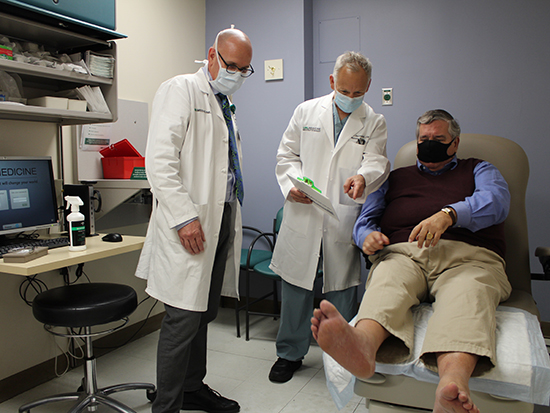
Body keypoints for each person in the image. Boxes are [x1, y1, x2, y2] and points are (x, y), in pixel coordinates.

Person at [311, 109, 512, 413]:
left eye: (439, 139)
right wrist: (366, 236)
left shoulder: (479, 169)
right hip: (404, 254)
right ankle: (363, 346)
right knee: (388, 280)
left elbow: (497, 202)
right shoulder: (393, 179)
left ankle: (451, 384)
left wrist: (449, 215)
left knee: (468, 294)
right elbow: (366, 220)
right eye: (424, 139)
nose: (429, 144)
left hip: (468, 257)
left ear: (455, 144)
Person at [135, 27, 253, 413]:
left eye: (244, 69)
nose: (236, 73)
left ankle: (191, 388)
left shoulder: (224, 103)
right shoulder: (181, 89)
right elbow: (160, 162)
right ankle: (166, 407)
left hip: (221, 217)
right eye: (231, 64)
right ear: (212, 54)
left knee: (205, 310)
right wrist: (185, 218)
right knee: (183, 316)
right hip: (190, 221)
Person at [268, 51, 390, 383]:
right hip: (304, 212)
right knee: (296, 286)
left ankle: (343, 358)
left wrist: (363, 177)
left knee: (341, 289)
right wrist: (290, 185)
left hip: (341, 214)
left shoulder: (374, 121)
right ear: (332, 82)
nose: (351, 98)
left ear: (367, 88)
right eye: (345, 90)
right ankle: (289, 354)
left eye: (358, 93)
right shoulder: (306, 111)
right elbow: (286, 154)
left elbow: (376, 160)